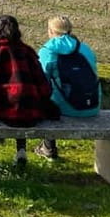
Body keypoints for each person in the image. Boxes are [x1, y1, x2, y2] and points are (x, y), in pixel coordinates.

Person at [0, 14, 57, 167]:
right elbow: (43, 85)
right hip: (30, 111)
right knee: (21, 100)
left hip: (2, 108)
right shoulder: (28, 52)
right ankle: (21, 151)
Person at [35, 15, 101, 161]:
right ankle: (47, 146)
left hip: (65, 109)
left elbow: (41, 82)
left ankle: (48, 146)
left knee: (47, 93)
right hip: (92, 106)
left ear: (51, 31)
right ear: (70, 30)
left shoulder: (47, 51)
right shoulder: (85, 49)